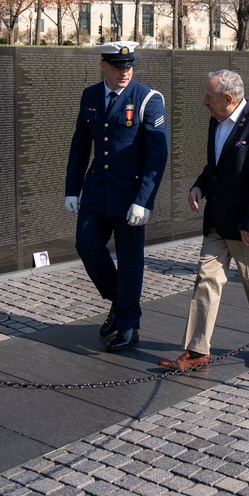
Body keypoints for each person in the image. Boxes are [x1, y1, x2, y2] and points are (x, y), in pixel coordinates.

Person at [159, 70, 249, 371]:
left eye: (209, 98)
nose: (204, 103)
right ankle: (198, 350)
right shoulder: (216, 120)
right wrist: (200, 184)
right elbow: (216, 162)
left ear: (229, 98)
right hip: (217, 222)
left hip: (248, 224)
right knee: (205, 281)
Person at [64, 41, 169, 352]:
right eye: (118, 66)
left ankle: (128, 324)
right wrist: (72, 189)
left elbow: (156, 155)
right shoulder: (91, 95)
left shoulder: (148, 99)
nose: (125, 72)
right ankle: (120, 301)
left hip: (130, 195)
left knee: (130, 261)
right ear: (103, 65)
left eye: (129, 66)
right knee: (86, 245)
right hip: (97, 190)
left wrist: (145, 200)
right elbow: (81, 144)